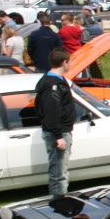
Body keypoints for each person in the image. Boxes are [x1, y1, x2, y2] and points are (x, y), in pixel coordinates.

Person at [35, 48, 75, 196]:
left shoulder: (53, 80)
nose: (70, 64)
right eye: (69, 62)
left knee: (60, 170)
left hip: (59, 131)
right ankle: (59, 203)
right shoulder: (54, 86)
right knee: (59, 174)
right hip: (58, 133)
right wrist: (59, 136)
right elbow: (52, 112)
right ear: (64, 62)